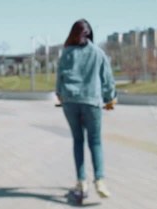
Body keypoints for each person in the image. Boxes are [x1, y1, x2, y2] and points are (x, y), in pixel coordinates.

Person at [56, 19, 117, 199]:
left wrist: (61, 95)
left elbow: (59, 80)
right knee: (95, 141)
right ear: (89, 34)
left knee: (78, 141)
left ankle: (82, 182)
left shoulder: (66, 53)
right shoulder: (98, 53)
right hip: (92, 102)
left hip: (70, 101)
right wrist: (109, 99)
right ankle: (99, 181)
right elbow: (108, 81)